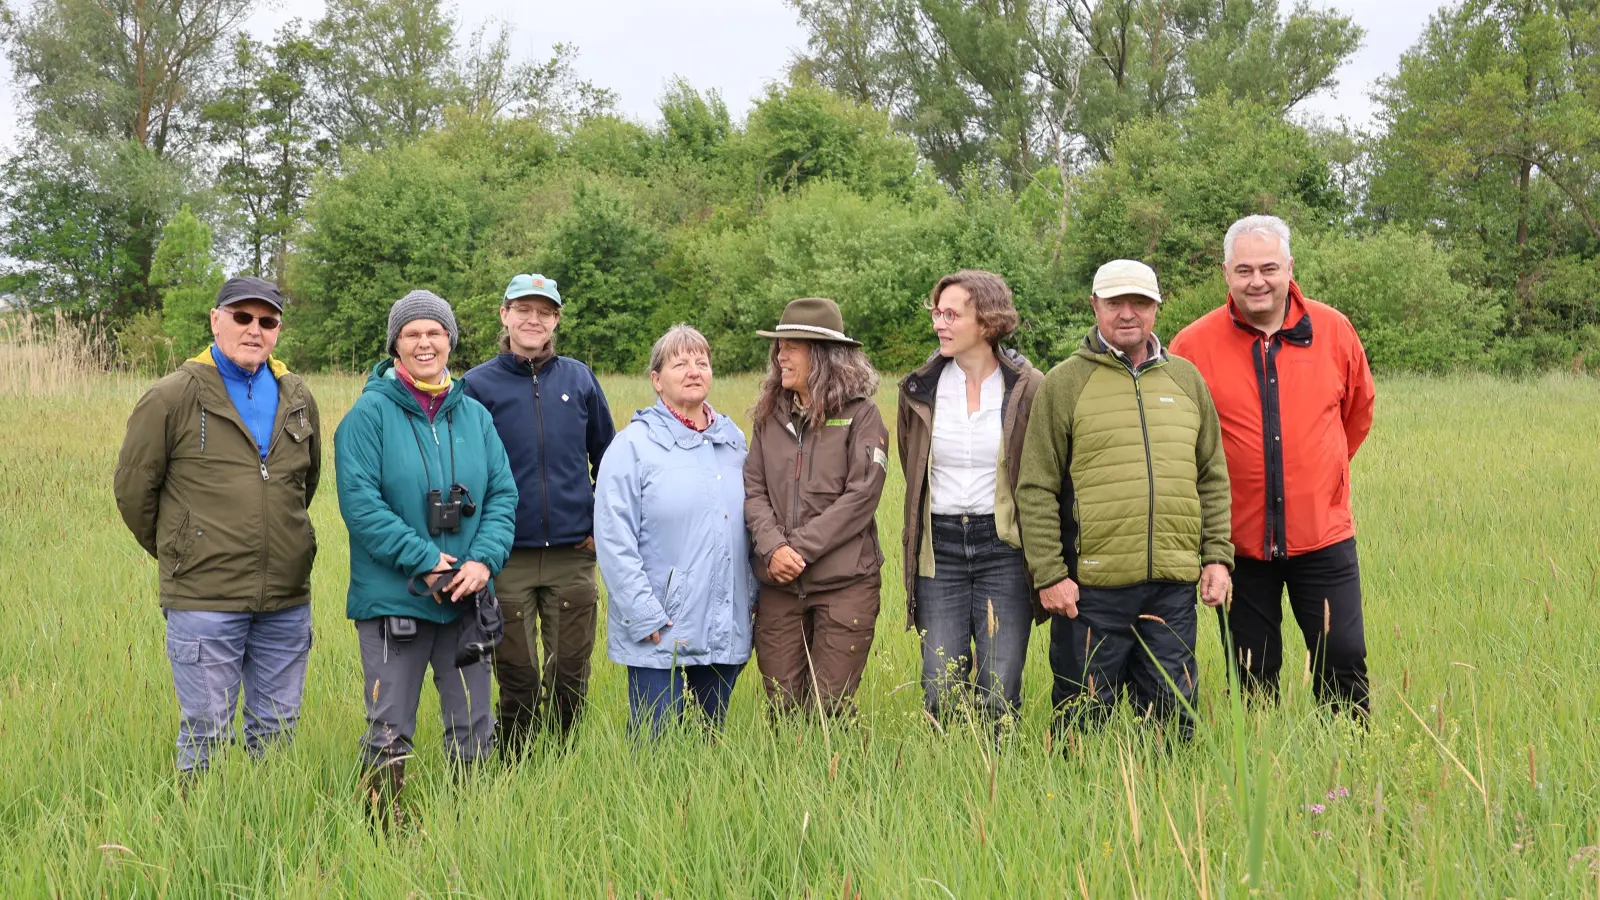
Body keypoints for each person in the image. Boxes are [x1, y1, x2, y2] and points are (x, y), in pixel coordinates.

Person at [114, 276, 321, 779]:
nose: (254, 330)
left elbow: (304, 482)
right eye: (242, 317)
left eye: (267, 321)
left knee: (276, 731)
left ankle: (267, 829)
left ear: (277, 330)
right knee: (206, 732)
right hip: (204, 600)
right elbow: (134, 492)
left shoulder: (296, 394)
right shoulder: (171, 396)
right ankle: (197, 841)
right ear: (216, 320)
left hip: (286, 599)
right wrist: (184, 550)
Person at [1169, 215, 1376, 717]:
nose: (1256, 280)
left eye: (1268, 267)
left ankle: (1345, 765)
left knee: (1343, 659)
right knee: (1252, 671)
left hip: (1323, 536)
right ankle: (1264, 770)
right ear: (1226, 273)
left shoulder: (1334, 330)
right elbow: (1180, 439)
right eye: (1243, 270)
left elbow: (1357, 412)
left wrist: (1318, 473)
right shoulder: (1191, 346)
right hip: (1238, 545)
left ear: (1289, 267)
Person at [1016, 260, 1233, 738]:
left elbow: (1212, 475)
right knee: (1082, 719)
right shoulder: (1064, 383)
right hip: (1090, 590)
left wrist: (1217, 557)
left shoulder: (1187, 380)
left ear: (1157, 308)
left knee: (1174, 720)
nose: (1128, 313)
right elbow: (1035, 486)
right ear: (1094, 306)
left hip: (1173, 587)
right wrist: (1050, 574)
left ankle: (1166, 805)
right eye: (1115, 302)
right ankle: (1083, 805)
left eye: (1140, 302)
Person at [334, 290, 518, 820]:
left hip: (468, 600)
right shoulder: (368, 416)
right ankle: (382, 835)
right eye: (412, 333)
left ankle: (471, 828)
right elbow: (361, 505)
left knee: (474, 727)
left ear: (450, 341)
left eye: (434, 333)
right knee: (388, 727)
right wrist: (425, 559)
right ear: (395, 343)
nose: (424, 342)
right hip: (396, 604)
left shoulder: (476, 417)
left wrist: (482, 562)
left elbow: (503, 495)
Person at [461, 273, 615, 751]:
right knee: (518, 674)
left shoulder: (579, 379)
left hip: (573, 554)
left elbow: (608, 459)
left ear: (556, 320)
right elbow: (462, 471)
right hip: (507, 558)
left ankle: (563, 759)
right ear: (504, 315)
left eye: (544, 311)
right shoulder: (476, 386)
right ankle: (517, 764)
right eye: (523, 309)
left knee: (570, 672)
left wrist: (596, 523)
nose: (533, 319)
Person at [897, 270, 1045, 727]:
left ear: (987, 322)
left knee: (999, 692)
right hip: (939, 548)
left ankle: (997, 781)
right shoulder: (919, 388)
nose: (939, 323)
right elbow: (912, 462)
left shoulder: (1027, 386)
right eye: (936, 313)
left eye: (951, 314)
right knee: (940, 687)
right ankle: (948, 777)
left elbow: (1040, 470)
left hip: (1002, 547)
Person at [594, 325, 753, 736]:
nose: (694, 370)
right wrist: (643, 613)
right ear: (656, 380)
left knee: (709, 744)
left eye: (701, 362)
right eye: (680, 363)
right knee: (654, 744)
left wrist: (750, 599)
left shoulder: (733, 441)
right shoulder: (632, 447)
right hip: (657, 626)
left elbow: (751, 524)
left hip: (723, 621)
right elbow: (614, 538)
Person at [744, 297, 889, 719]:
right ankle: (788, 784)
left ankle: (836, 783)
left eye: (792, 345)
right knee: (783, 710)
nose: (780, 354)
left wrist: (799, 550)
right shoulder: (770, 416)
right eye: (779, 345)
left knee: (831, 710)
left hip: (846, 586)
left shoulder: (862, 416)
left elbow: (861, 496)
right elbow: (753, 488)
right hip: (779, 587)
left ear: (824, 355)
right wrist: (773, 548)